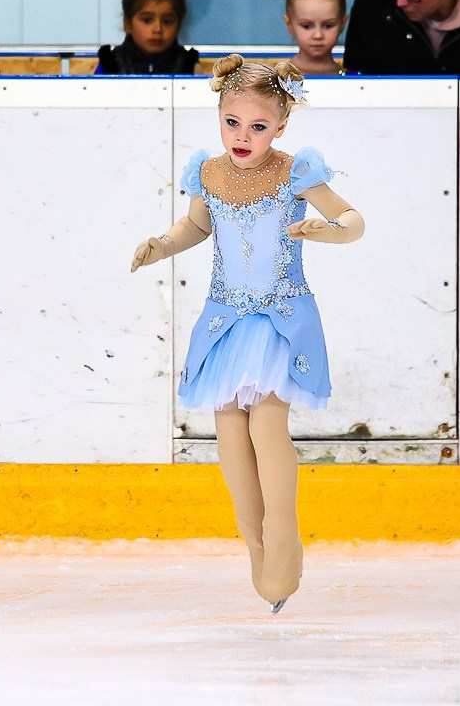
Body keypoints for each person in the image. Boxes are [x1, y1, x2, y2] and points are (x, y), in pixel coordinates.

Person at [130, 54, 365, 613]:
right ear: (219, 116)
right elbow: (195, 225)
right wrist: (162, 245)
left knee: (265, 425)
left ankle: (283, 538)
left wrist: (327, 232)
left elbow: (353, 220)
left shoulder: (295, 172)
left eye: (259, 126)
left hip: (281, 318)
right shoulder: (207, 174)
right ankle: (255, 541)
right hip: (226, 319)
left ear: (281, 126)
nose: (243, 135)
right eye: (232, 122)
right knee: (229, 436)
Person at [97, 0, 199, 74]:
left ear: (178, 27)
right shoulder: (109, 63)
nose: (157, 29)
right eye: (147, 20)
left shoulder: (189, 64)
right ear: (128, 24)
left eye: (167, 22)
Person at [270, 0, 361, 75]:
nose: (318, 35)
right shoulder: (275, 82)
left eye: (328, 25)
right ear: (289, 24)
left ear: (343, 23)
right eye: (307, 26)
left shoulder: (357, 81)